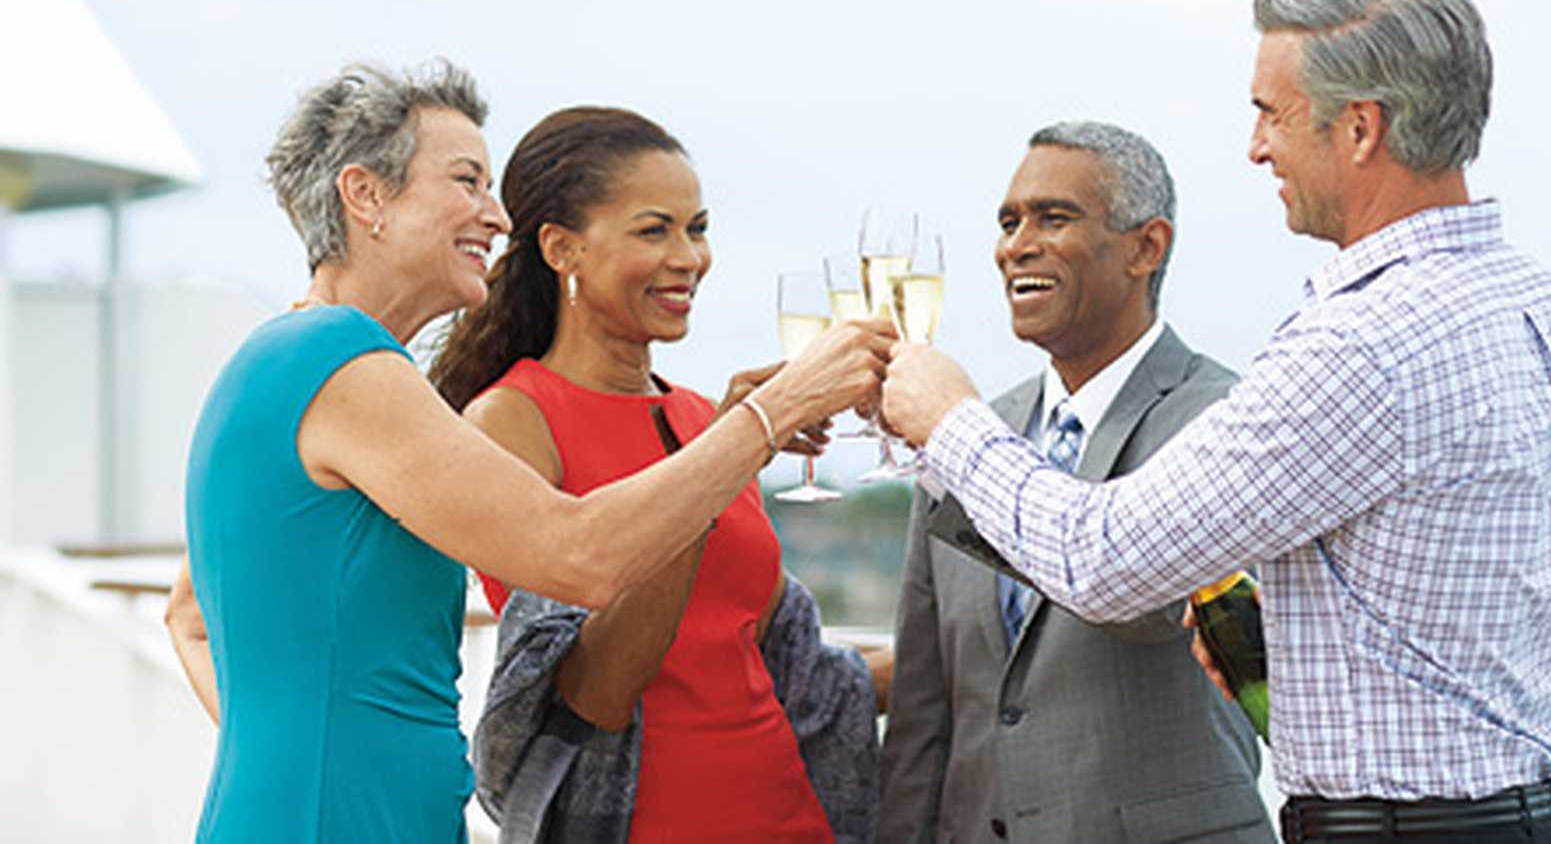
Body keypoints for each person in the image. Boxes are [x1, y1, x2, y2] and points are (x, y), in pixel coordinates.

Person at [882, 0, 1551, 844]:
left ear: (1359, 128)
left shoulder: (1361, 341)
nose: (1256, 146)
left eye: (1269, 113)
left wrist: (950, 418)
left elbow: (1103, 560)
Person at [164, 63, 889, 843]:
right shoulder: (340, 363)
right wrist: (773, 414)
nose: (498, 214)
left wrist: (301, 746)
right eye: (467, 180)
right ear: (366, 195)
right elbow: (579, 553)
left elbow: (189, 618)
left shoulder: (298, 361)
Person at [430, 106, 887, 843]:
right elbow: (596, 688)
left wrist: (986, 652)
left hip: (793, 817)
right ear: (561, 248)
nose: (690, 257)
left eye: (697, 228)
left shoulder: (709, 417)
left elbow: (773, 662)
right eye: (655, 230)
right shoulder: (510, 422)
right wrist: (742, 440)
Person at [879, 121, 1274, 843]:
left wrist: (960, 434)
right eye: (1008, 221)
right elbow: (922, 710)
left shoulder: (1226, 416)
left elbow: (1147, 600)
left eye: (1052, 217)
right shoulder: (968, 432)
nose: (1015, 245)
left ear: (1146, 247)